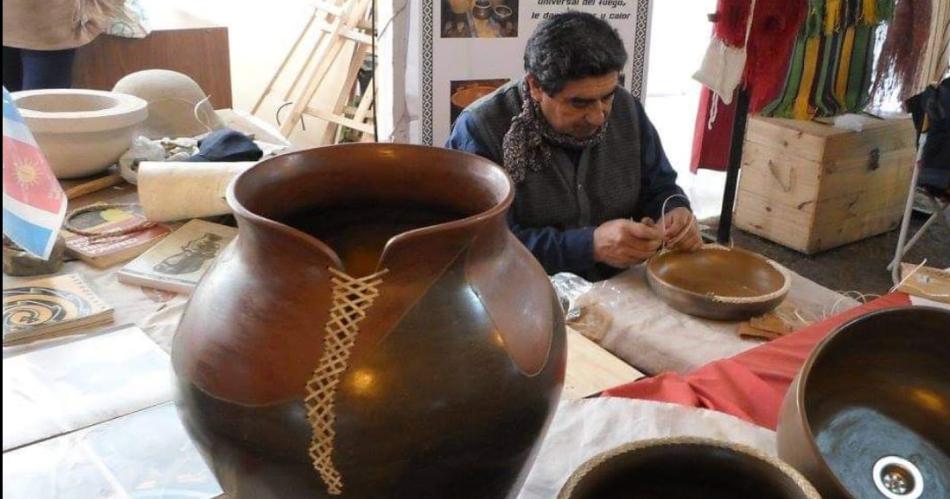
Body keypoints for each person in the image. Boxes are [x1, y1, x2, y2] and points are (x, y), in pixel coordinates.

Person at [447, 11, 702, 281]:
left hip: (617, 287)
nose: (599, 116)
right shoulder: (481, 129)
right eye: (579, 103)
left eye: (607, 97)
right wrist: (589, 246)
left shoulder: (627, 110)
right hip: (518, 289)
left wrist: (674, 211)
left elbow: (660, 187)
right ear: (535, 86)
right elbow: (479, 244)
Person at [2, 0, 123, 91]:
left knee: (40, 108)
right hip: (46, 28)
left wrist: (96, 14)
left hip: (52, 31)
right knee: (23, 109)